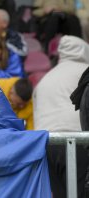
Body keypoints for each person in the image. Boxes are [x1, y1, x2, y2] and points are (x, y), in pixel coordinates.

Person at [33, 35, 89, 198]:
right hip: (77, 141)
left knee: (60, 194)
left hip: (48, 143)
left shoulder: (46, 77)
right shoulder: (84, 73)